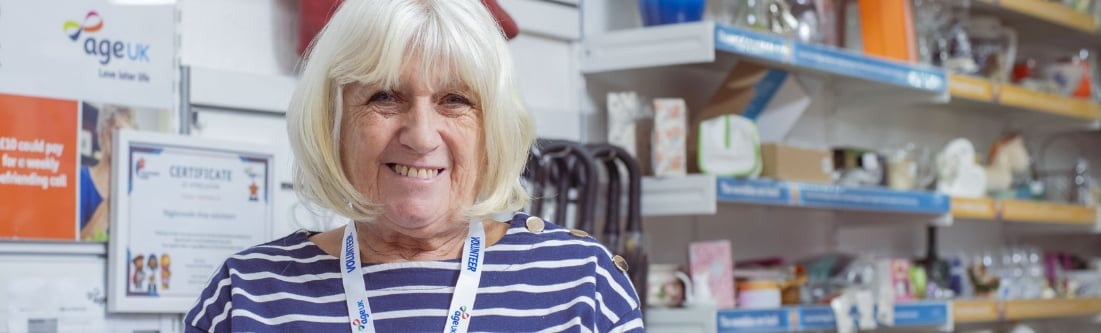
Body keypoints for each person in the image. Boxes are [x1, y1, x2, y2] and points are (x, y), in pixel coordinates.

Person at [184, 1, 644, 332]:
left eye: (455, 100)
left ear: (493, 128)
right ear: (334, 121)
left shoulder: (585, 283)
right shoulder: (246, 296)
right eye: (384, 97)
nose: (421, 135)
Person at [80, 105, 134, 241]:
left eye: (127, 134)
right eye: (117, 130)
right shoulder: (81, 181)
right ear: (103, 133)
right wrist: (112, 201)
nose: (121, 139)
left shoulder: (134, 187)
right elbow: (80, 245)